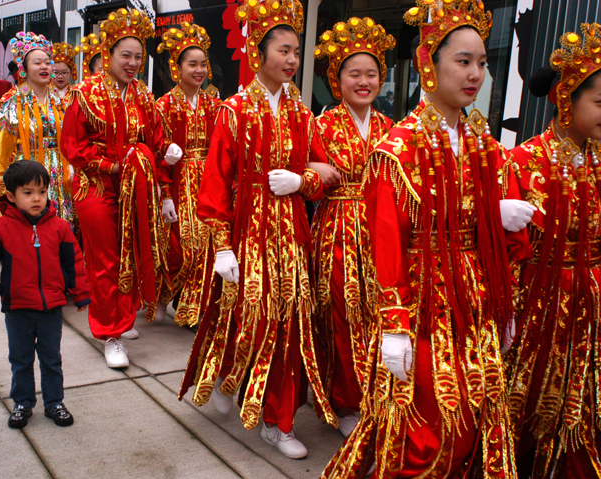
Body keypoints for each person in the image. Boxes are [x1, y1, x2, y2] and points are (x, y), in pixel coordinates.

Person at [323, 1, 520, 476]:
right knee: (428, 415)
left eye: (482, 63)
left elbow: (487, 220)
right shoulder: (398, 148)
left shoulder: (479, 139)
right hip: (422, 300)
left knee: (478, 406)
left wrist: (502, 289)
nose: (474, 74)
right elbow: (386, 240)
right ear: (428, 66)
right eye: (463, 61)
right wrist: (394, 323)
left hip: (472, 296)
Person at [178, 0, 336, 460]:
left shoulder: (302, 112)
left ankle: (277, 421)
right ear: (258, 51)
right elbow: (216, 183)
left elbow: (326, 171)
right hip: (247, 230)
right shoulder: (233, 111)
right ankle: (230, 372)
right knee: (240, 316)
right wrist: (222, 247)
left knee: (290, 325)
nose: (291, 60)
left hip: (290, 235)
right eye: (283, 50)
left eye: (295, 52)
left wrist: (301, 180)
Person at [505, 24, 601, 478]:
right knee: (530, 399)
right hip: (541, 306)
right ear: (565, 99)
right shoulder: (523, 162)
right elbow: (509, 251)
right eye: (599, 102)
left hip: (594, 302)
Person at [60, 8, 181, 368]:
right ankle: (109, 333)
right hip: (95, 185)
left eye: (138, 57)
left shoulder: (143, 95)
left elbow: (156, 139)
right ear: (108, 55)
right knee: (105, 259)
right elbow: (73, 147)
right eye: (125, 55)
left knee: (132, 250)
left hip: (134, 186)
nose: (132, 63)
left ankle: (122, 316)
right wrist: (111, 166)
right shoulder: (84, 93)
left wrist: (166, 153)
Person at [310, 17, 395, 438]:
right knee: (341, 314)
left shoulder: (392, 129)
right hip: (338, 234)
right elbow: (297, 174)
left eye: (372, 74)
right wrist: (311, 169)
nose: (364, 82)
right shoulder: (320, 126)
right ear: (336, 78)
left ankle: (377, 394)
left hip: (382, 234)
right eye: (354, 73)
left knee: (379, 316)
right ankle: (344, 399)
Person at [0, 160, 90, 429]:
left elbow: (74, 263)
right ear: (11, 196)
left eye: (42, 192)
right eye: (28, 192)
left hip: (51, 309)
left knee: (51, 359)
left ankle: (54, 402)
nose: (37, 198)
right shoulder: (1, 228)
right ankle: (22, 403)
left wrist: (80, 294)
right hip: (18, 309)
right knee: (20, 359)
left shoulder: (60, 227)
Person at [155, 22, 222, 326]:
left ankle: (197, 309)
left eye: (203, 64)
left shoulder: (215, 103)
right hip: (179, 183)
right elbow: (158, 155)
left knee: (208, 244)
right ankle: (163, 295)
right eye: (191, 64)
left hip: (208, 182)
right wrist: (165, 195)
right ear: (177, 68)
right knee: (183, 248)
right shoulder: (164, 106)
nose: (199, 70)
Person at [0, 32, 74, 229]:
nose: (44, 67)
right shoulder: (12, 102)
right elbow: (0, 144)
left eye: (48, 63)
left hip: (59, 175)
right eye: (37, 62)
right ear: (24, 69)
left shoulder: (63, 101)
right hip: (28, 173)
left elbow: (73, 137)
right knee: (29, 229)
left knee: (59, 228)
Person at [51, 42, 80, 108]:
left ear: (70, 73)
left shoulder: (76, 93)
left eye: (64, 73)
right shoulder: (45, 92)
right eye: (56, 73)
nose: (60, 76)